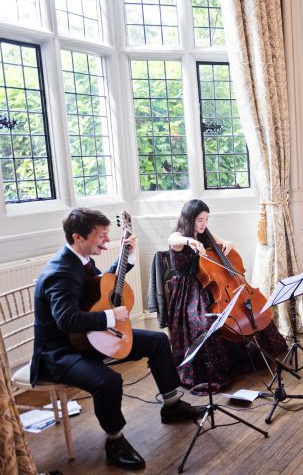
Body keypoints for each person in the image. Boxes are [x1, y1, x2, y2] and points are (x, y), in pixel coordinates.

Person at [31, 208, 203, 470]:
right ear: (78, 237)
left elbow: (100, 285)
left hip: (89, 338)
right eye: (100, 235)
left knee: (157, 341)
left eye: (107, 234)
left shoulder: (82, 259)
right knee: (108, 381)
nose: (106, 240)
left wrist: (127, 259)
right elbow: (67, 320)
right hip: (60, 352)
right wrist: (111, 317)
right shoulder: (61, 272)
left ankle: (171, 405)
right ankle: (115, 441)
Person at [167, 200, 286, 394]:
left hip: (210, 288)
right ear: (189, 219)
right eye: (200, 220)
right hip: (188, 293)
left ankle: (258, 355)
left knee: (252, 309)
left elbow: (224, 242)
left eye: (206, 219)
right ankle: (214, 372)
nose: (204, 224)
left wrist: (228, 243)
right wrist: (190, 241)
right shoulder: (179, 237)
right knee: (208, 324)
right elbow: (173, 239)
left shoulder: (205, 233)